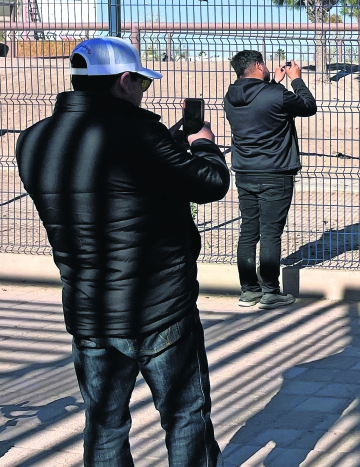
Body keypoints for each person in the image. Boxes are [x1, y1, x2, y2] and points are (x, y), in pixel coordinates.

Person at [16, 37, 230, 466]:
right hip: (160, 308)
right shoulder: (137, 133)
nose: (142, 94)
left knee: (105, 423)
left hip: (89, 311)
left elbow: (107, 183)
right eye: (142, 85)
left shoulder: (33, 140)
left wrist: (166, 144)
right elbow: (211, 183)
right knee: (185, 415)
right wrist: (202, 141)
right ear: (124, 81)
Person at [223, 50, 317, 309]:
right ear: (257, 65)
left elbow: (259, 104)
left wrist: (272, 83)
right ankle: (271, 291)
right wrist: (296, 80)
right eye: (263, 64)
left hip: (245, 172)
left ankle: (248, 290)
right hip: (276, 173)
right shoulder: (275, 95)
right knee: (271, 233)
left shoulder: (230, 97)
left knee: (248, 231)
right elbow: (308, 106)